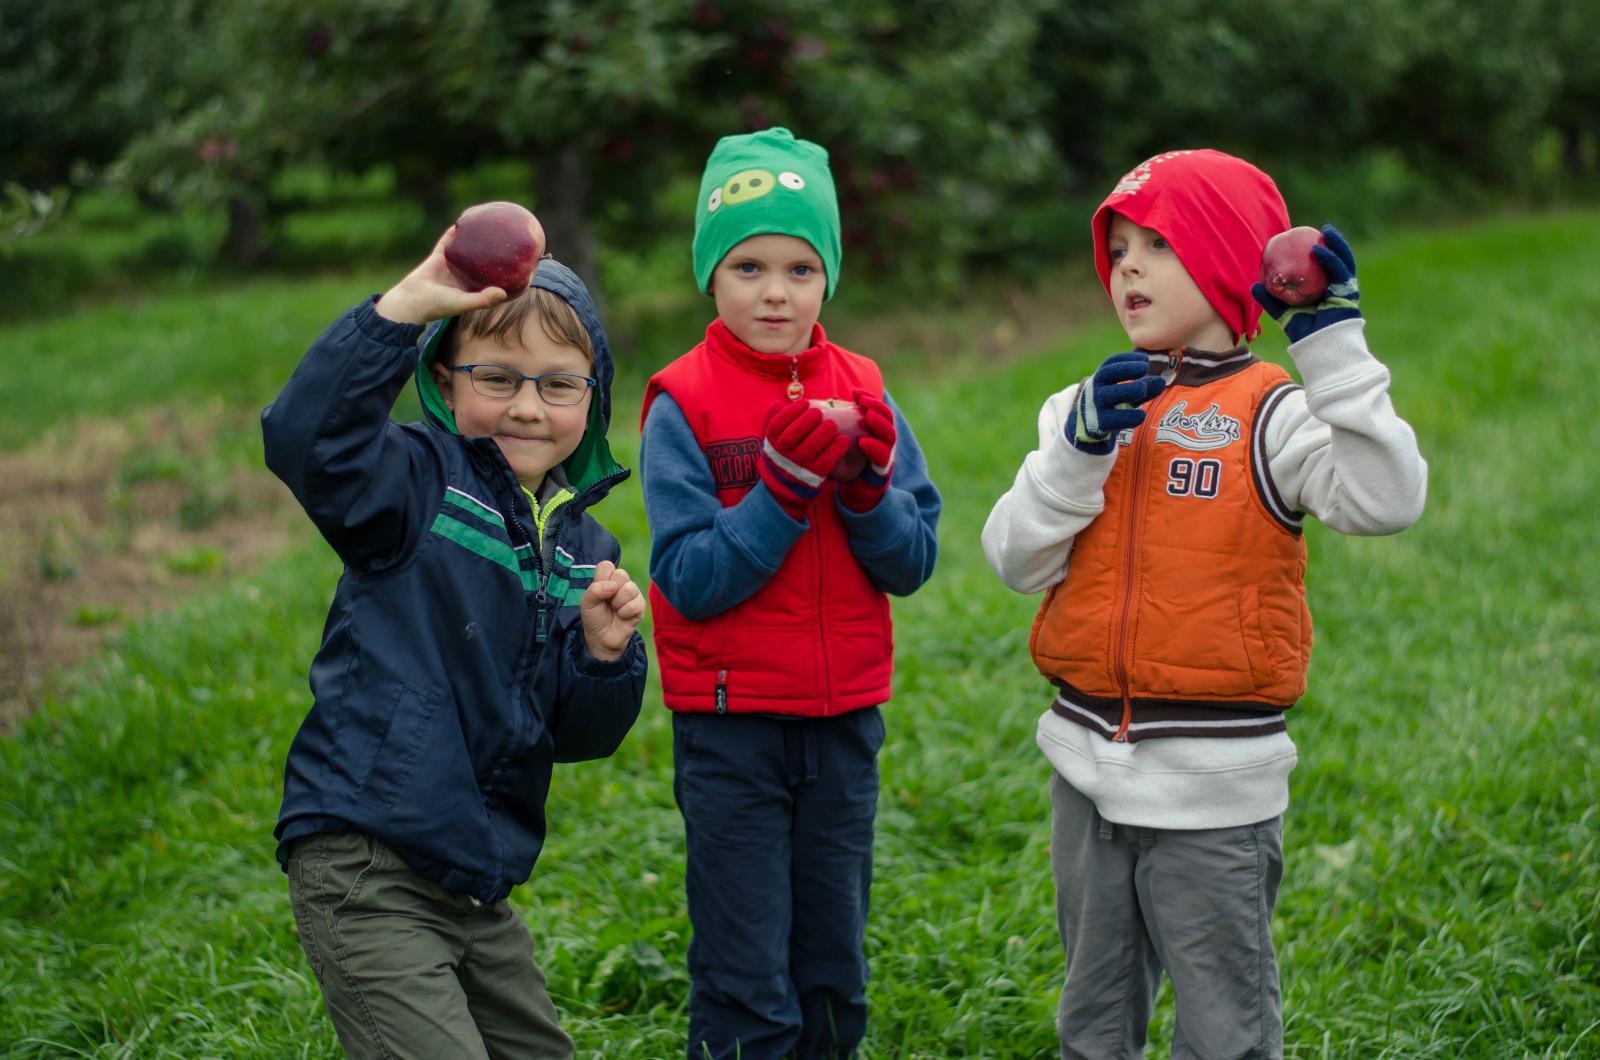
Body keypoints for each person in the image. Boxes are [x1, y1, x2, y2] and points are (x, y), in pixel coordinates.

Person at [981, 149, 1427, 1059]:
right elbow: (1014, 559)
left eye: (1160, 245)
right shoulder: (1082, 407)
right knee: (1092, 1021)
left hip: (1215, 798)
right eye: (1119, 248)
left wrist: (1333, 347)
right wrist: (1078, 448)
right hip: (1085, 778)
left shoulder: (1276, 415)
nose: (1129, 266)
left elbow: (1387, 500)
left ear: (1231, 264)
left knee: (1225, 1030)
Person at [262, 227, 648, 1060]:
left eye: (558, 385)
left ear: (594, 399)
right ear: (444, 380)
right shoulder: (413, 483)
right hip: (368, 860)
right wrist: (407, 307)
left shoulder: (589, 550)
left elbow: (581, 735)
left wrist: (604, 657)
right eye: (497, 378)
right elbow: (306, 437)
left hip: (477, 886)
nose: (526, 407)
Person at [638, 127, 942, 1059]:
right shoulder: (681, 403)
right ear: (709, 276)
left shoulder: (866, 388)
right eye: (748, 266)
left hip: (844, 719)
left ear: (829, 277)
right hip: (731, 728)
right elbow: (688, 580)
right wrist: (778, 492)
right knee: (744, 969)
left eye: (802, 268)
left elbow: (912, 560)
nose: (776, 292)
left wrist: (862, 495)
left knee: (831, 963)